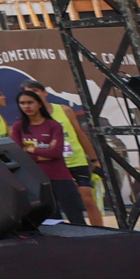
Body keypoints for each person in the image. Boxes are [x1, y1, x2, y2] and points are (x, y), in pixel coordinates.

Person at [24, 80, 104, 227]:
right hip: (54, 165)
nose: (33, 95)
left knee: (87, 198)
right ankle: (70, 232)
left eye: (35, 91)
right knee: (60, 203)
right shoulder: (30, 118)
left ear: (44, 92)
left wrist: (94, 159)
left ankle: (100, 231)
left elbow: (80, 134)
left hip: (76, 160)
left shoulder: (64, 110)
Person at [13, 89, 86, 225]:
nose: (26, 106)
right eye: (22, 103)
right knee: (51, 222)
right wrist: (43, 154)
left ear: (39, 104)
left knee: (76, 218)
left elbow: (56, 153)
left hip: (60, 177)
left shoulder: (53, 125)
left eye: (30, 102)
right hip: (36, 180)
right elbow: (18, 155)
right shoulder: (18, 127)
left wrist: (30, 149)